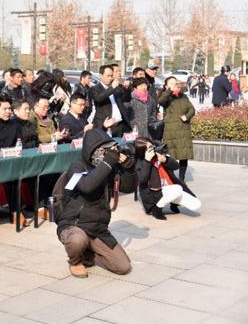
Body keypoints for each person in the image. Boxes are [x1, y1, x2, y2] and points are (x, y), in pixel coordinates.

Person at [56, 129, 133, 278]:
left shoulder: (108, 167)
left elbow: (128, 187)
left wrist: (129, 168)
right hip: (74, 225)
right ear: (93, 150)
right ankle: (75, 261)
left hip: (98, 229)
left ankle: (88, 251)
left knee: (123, 267)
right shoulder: (77, 167)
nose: (108, 154)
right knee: (78, 240)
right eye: (105, 150)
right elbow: (86, 186)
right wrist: (108, 162)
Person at [134, 138, 201, 220]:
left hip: (168, 189)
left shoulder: (159, 154)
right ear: (143, 152)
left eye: (152, 146)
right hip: (154, 194)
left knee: (196, 204)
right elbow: (143, 179)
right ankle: (157, 209)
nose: (153, 149)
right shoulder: (140, 162)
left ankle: (172, 201)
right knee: (177, 188)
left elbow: (176, 166)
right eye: (149, 148)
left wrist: (165, 160)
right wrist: (147, 161)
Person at [158, 76, 195, 184]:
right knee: (171, 155)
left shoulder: (183, 96)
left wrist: (187, 116)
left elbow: (192, 109)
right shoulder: (167, 97)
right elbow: (161, 101)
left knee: (184, 156)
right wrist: (169, 90)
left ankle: (182, 179)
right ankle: (172, 178)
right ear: (166, 86)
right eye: (171, 83)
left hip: (184, 130)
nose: (175, 85)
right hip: (171, 131)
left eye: (175, 82)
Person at [91, 65, 130, 137]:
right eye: (108, 76)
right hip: (105, 125)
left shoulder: (116, 87)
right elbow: (99, 98)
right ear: (101, 75)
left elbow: (126, 99)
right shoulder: (95, 89)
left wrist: (126, 89)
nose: (110, 78)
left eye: (111, 76)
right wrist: (112, 88)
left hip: (120, 125)